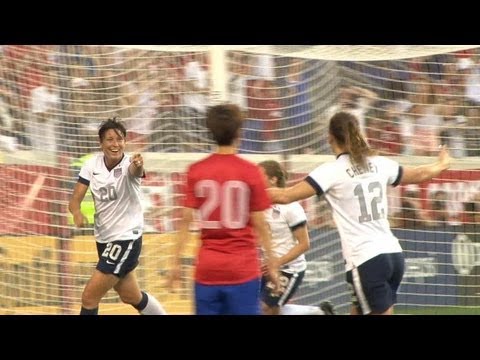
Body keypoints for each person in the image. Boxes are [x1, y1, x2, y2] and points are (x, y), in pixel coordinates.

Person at [268, 111, 451, 315]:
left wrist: (250, 189)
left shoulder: (331, 171)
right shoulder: (378, 163)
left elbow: (285, 196)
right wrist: (441, 164)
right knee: (358, 310)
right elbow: (419, 174)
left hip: (365, 260)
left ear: (330, 137)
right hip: (393, 255)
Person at [167, 104, 279, 315]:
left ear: (210, 131)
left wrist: (175, 262)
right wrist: (272, 264)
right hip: (242, 269)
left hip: (207, 269)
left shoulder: (196, 171)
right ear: (239, 132)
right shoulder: (251, 171)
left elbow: (185, 220)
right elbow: (261, 224)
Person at [68, 117, 166, 315]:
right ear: (101, 143)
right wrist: (76, 212)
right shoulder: (91, 165)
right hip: (104, 239)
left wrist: (138, 164)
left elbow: (135, 170)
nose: (115, 144)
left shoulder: (130, 163)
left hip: (126, 239)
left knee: (89, 297)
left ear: (125, 141)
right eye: (110, 139)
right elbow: (74, 200)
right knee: (130, 295)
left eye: (119, 139)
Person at [258, 160, 311, 315]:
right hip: (268, 267)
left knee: (263, 308)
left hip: (289, 269)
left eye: (259, 175)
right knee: (271, 309)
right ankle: (317, 311)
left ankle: (316, 312)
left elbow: (304, 244)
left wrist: (276, 262)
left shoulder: (291, 207)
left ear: (273, 179)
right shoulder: (259, 205)